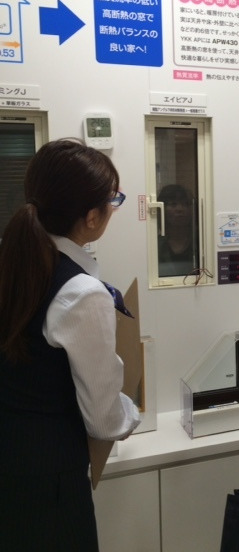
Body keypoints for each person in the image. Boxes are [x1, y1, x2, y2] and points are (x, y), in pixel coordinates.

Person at [0, 139, 140, 552]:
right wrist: (131, 409)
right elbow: (104, 422)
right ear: (92, 217)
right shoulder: (82, 292)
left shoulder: (13, 264)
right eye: (113, 200)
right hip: (50, 486)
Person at [157, 183, 197, 277]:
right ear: (162, 209)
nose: (180, 209)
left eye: (185, 204)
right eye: (173, 204)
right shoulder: (155, 244)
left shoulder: (200, 241)